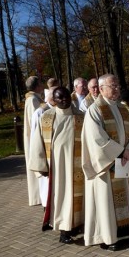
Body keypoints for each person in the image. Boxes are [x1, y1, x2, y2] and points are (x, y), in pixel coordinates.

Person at [81, 74, 129, 251]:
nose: (116, 89)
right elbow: (96, 139)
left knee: (126, 197)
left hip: (124, 161)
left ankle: (128, 232)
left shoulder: (123, 109)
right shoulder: (95, 110)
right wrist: (121, 152)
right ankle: (108, 237)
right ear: (101, 89)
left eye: (117, 86)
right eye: (112, 86)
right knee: (106, 200)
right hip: (107, 164)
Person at [29, 87, 85, 244]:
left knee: (78, 197)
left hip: (78, 164)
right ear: (54, 100)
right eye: (60, 98)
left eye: (66, 96)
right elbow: (37, 142)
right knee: (61, 197)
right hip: (58, 166)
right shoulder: (47, 117)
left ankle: (76, 225)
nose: (64, 100)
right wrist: (41, 166)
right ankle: (63, 230)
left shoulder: (81, 116)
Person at [30, 85, 58, 213]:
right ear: (50, 97)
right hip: (45, 154)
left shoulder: (61, 110)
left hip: (58, 155)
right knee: (46, 185)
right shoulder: (40, 112)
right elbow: (35, 136)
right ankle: (47, 208)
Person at [23, 76, 44, 206]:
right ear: (36, 86)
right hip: (34, 138)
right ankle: (37, 196)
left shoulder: (35, 98)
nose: (42, 85)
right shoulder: (32, 100)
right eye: (41, 82)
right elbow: (35, 121)